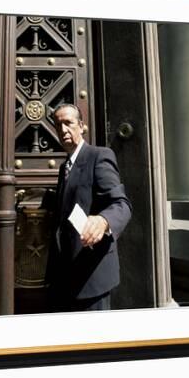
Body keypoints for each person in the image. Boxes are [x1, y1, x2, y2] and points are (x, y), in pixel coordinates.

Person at [46, 103, 132, 312]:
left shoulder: (99, 156)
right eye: (58, 125)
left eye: (68, 123)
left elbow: (121, 204)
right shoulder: (64, 168)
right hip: (65, 278)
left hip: (91, 278)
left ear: (82, 126)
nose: (63, 130)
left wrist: (103, 221)